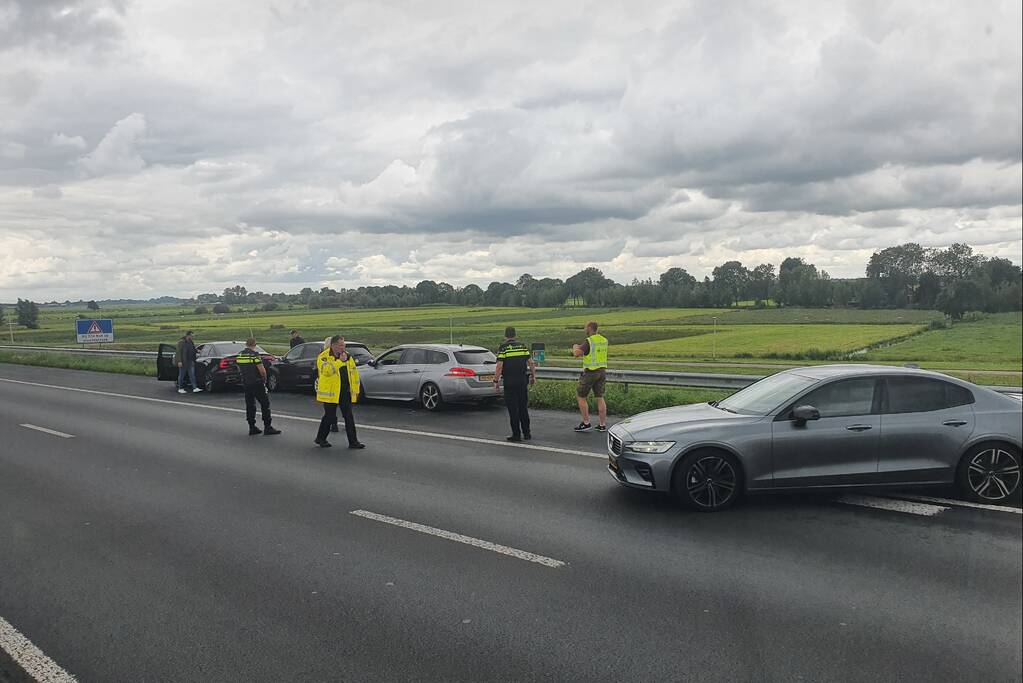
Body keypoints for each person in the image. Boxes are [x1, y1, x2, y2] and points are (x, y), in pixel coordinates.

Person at [314, 335, 364, 449]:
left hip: (345, 392)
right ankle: (320, 438)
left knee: (349, 417)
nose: (343, 347)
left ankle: (353, 442)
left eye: (344, 345)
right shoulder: (324, 356)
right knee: (329, 417)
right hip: (331, 393)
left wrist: (356, 390)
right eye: (340, 345)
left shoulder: (348, 357)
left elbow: (354, 374)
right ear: (333, 346)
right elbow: (327, 371)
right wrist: (340, 362)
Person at [494, 327, 536, 442]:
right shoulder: (522, 346)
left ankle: (516, 435)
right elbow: (531, 363)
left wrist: (496, 381)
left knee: (513, 409)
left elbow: (499, 366)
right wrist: (533, 376)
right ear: (515, 335)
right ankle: (527, 433)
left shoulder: (504, 347)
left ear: (505, 336)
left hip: (510, 381)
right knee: (523, 407)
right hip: (522, 380)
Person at [235, 338, 281, 436]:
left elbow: (239, 368)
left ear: (246, 344)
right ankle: (267, 427)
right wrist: (264, 379)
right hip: (257, 383)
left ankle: (252, 427)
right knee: (265, 404)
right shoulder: (254, 355)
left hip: (246, 383)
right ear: (254, 344)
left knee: (250, 405)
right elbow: (262, 370)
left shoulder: (240, 355)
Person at [571, 321, 608, 432]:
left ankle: (586, 423)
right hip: (602, 371)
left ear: (590, 328)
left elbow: (577, 353)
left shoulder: (589, 341)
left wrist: (574, 347)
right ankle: (602, 424)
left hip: (590, 372)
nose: (584, 329)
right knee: (600, 397)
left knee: (581, 396)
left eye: (585, 327)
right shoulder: (604, 340)